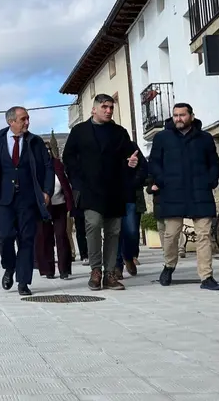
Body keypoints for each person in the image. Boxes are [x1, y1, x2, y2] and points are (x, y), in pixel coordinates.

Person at [62, 93, 139, 291]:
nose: (108, 111)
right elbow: (68, 158)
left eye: (111, 107)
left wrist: (130, 163)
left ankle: (110, 273)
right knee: (93, 225)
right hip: (90, 191)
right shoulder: (79, 131)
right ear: (94, 109)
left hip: (115, 190)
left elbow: (130, 156)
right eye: (104, 107)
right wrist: (77, 182)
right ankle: (95, 270)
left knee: (114, 231)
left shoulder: (120, 132)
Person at [148, 103, 219, 291]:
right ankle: (169, 266)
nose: (178, 119)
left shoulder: (205, 138)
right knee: (171, 234)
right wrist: (163, 181)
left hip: (200, 192)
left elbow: (214, 163)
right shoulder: (162, 138)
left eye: (182, 115)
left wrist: (210, 181)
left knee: (204, 235)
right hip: (172, 192)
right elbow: (154, 163)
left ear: (191, 115)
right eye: (175, 115)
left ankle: (206, 276)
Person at [0, 106, 55, 296]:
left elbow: (48, 167)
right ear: (10, 121)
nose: (27, 122)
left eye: (28, 119)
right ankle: (9, 267)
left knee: (27, 240)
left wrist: (47, 191)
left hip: (28, 200)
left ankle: (23, 281)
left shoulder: (35, 142)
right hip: (3, 200)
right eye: (23, 119)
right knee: (5, 237)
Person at [35, 141, 73, 280]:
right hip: (43, 207)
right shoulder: (36, 167)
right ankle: (48, 269)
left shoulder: (57, 164)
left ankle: (64, 269)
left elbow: (66, 184)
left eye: (48, 149)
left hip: (60, 205)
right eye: (43, 150)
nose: (47, 152)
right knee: (45, 238)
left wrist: (70, 204)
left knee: (61, 236)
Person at [113, 145, 147, 280]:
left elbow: (144, 168)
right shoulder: (103, 147)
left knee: (132, 231)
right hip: (112, 198)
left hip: (131, 197)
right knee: (114, 232)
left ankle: (128, 256)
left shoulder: (130, 146)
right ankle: (117, 265)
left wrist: (135, 180)